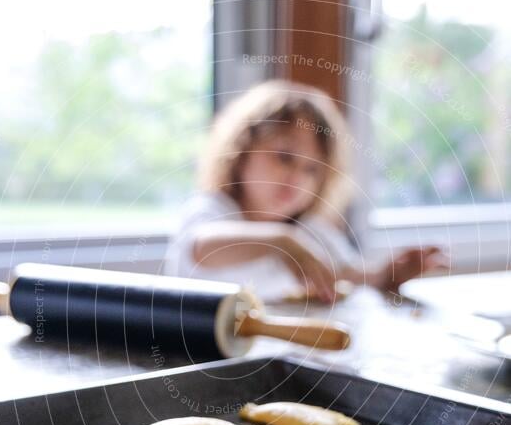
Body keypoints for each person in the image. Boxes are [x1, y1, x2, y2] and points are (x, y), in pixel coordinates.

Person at [164, 80, 444, 303]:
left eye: (312, 170)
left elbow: (346, 275)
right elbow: (201, 246)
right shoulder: (212, 210)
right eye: (284, 157)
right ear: (241, 151)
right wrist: (281, 242)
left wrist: (387, 275)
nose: (296, 178)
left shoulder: (308, 231)